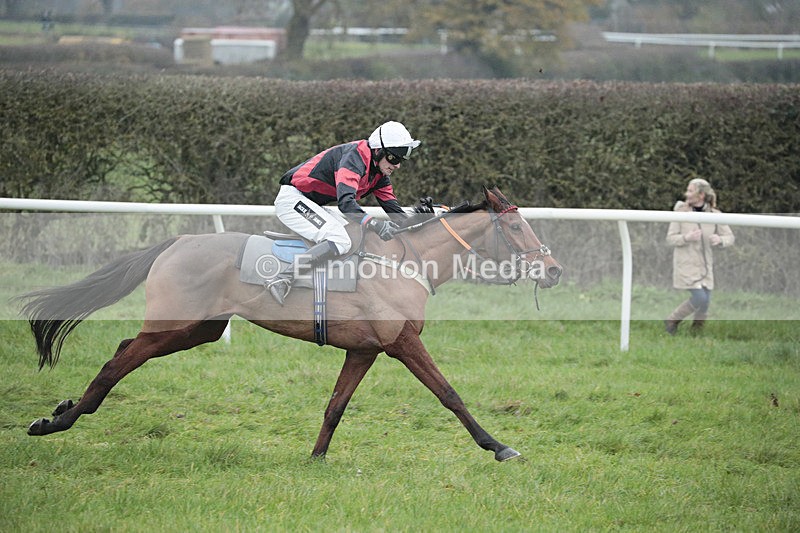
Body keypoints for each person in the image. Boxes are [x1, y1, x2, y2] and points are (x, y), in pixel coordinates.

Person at [269, 120, 421, 304]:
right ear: (378, 150)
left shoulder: (380, 175)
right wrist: (376, 224)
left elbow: (394, 211)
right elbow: (346, 204)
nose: (397, 166)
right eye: (394, 158)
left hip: (312, 203)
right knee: (339, 239)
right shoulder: (354, 158)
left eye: (400, 161)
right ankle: (282, 279)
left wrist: (420, 223)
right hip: (293, 200)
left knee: (352, 234)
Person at [664, 178, 735, 334]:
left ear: (701, 195)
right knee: (700, 298)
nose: (686, 194)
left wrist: (720, 240)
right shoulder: (680, 213)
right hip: (686, 264)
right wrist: (686, 238)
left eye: (690, 191)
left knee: (705, 301)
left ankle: (696, 332)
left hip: (706, 266)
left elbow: (730, 237)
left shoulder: (716, 215)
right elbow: (670, 238)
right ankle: (672, 321)